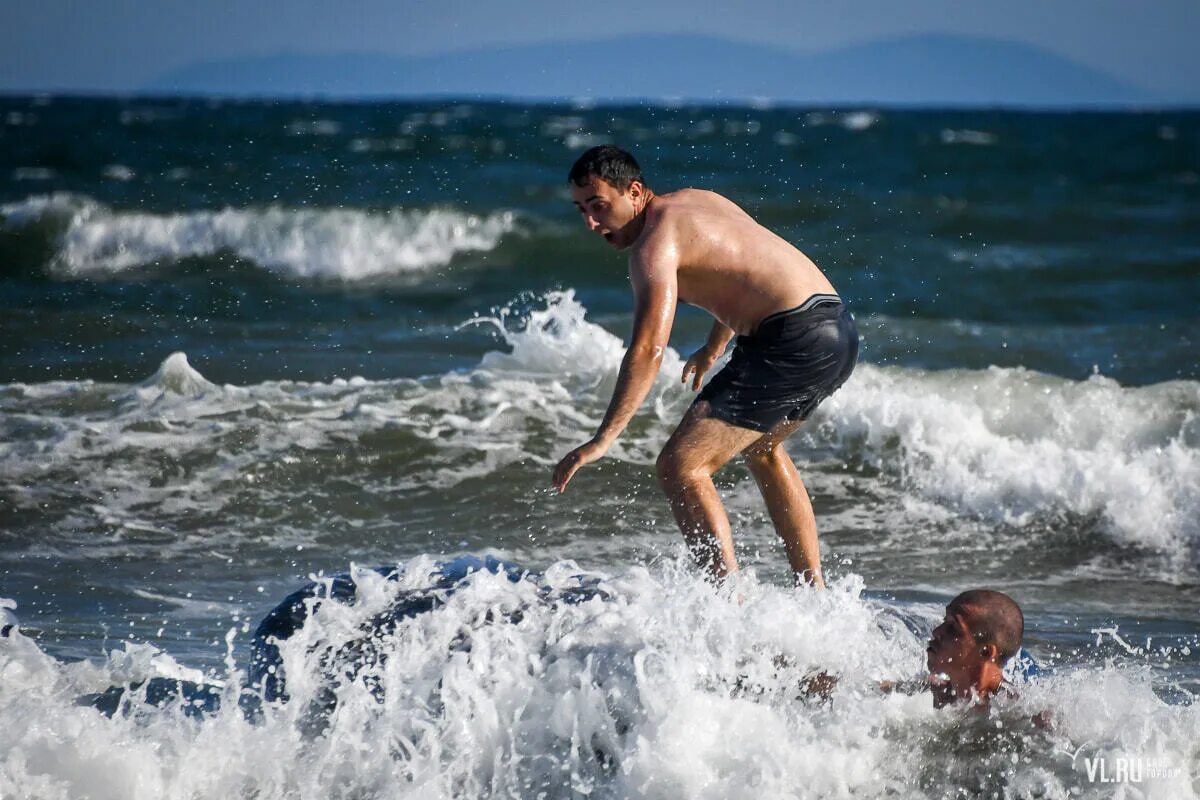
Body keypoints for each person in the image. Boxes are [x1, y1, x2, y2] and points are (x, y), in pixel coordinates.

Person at [551, 145, 858, 587]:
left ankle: (724, 603)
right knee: (763, 449)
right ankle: (816, 594)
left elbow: (647, 351)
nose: (592, 223)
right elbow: (747, 269)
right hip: (836, 329)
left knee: (681, 465)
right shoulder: (702, 200)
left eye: (600, 206)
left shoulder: (652, 248)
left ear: (634, 192)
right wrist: (714, 348)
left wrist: (602, 439)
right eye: (581, 209)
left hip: (790, 338)